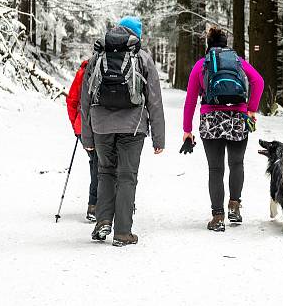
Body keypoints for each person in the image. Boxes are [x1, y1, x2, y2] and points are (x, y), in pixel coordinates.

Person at [80, 16, 165, 246]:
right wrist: (159, 137)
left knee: (105, 171)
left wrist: (86, 135)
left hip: (101, 125)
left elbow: (85, 99)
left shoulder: (98, 55)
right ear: (136, 34)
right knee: (127, 176)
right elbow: (154, 100)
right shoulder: (142, 57)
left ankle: (103, 222)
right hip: (133, 126)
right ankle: (123, 232)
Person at [182, 26, 264, 232]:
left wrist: (187, 129)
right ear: (226, 43)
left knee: (216, 169)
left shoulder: (202, 65)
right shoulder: (238, 62)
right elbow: (258, 81)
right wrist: (251, 109)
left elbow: (190, 100)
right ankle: (235, 207)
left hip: (211, 119)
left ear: (208, 44)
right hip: (238, 116)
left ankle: (217, 217)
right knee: (237, 163)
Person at [66, 58, 98, 222]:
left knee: (96, 163)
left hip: (83, 127)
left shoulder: (83, 71)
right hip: (99, 126)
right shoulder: (93, 70)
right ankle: (96, 205)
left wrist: (76, 125)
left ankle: (94, 206)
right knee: (100, 164)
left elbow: (71, 100)